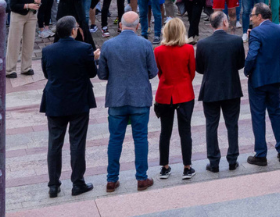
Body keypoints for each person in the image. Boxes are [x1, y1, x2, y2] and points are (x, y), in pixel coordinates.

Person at [97, 11, 158, 192]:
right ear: (138, 26)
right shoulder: (145, 44)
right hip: (140, 98)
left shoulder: (108, 45)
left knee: (115, 139)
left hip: (116, 99)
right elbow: (152, 72)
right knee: (141, 138)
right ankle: (141, 177)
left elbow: (102, 74)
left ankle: (111, 179)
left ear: (120, 25)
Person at [40, 16, 97, 198]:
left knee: (54, 144)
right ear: (73, 30)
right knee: (77, 142)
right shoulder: (84, 48)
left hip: (55, 101)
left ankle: (53, 185)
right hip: (78, 100)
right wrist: (94, 58)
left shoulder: (48, 50)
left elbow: (47, 74)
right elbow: (92, 73)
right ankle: (77, 183)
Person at [194, 10, 244, 173]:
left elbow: (199, 68)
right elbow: (240, 64)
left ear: (211, 25)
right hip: (231, 88)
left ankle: (214, 161)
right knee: (232, 125)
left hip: (210, 89)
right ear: (224, 22)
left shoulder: (203, 44)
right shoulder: (236, 41)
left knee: (211, 125)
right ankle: (232, 159)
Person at [244, 2, 280, 165]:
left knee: (258, 116)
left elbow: (252, 55)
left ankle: (261, 154)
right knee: (276, 113)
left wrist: (247, 70)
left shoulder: (256, 32)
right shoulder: (279, 29)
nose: (251, 18)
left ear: (260, 16)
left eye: (252, 15)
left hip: (259, 79)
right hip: (275, 77)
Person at [153, 17, 197, 179]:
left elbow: (159, 72)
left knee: (165, 131)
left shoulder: (158, 51)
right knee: (185, 131)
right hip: (184, 92)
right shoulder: (188, 49)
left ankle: (165, 167)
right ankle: (187, 167)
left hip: (165, 94)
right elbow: (191, 72)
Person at [6, 0, 43, 77]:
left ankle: (26, 67)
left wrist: (38, 1)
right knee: (14, 42)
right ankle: (10, 69)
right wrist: (27, 5)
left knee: (29, 42)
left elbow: (35, 0)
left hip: (31, 16)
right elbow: (12, 5)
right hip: (18, 16)